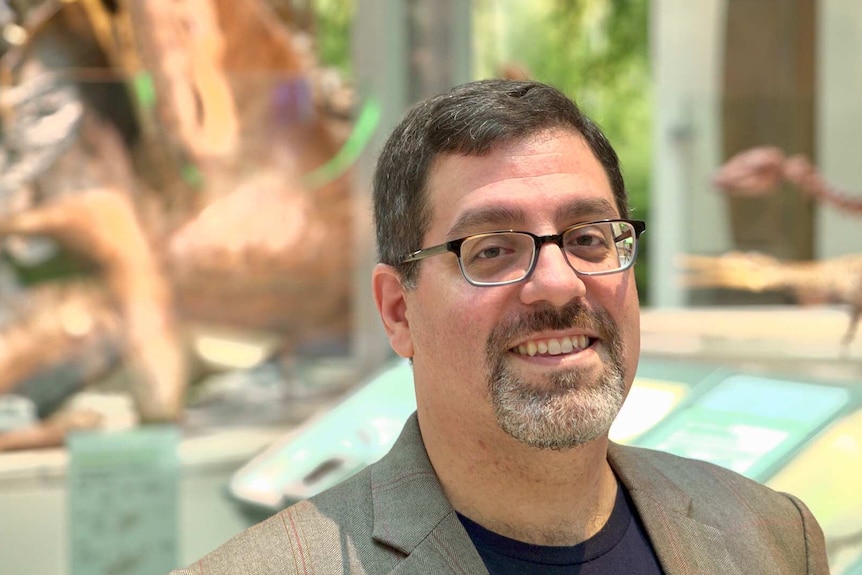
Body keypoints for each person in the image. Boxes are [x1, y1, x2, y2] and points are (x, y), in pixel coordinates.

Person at [170, 79, 828, 574]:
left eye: (589, 238)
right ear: (399, 311)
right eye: (490, 250)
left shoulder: (770, 536)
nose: (559, 282)